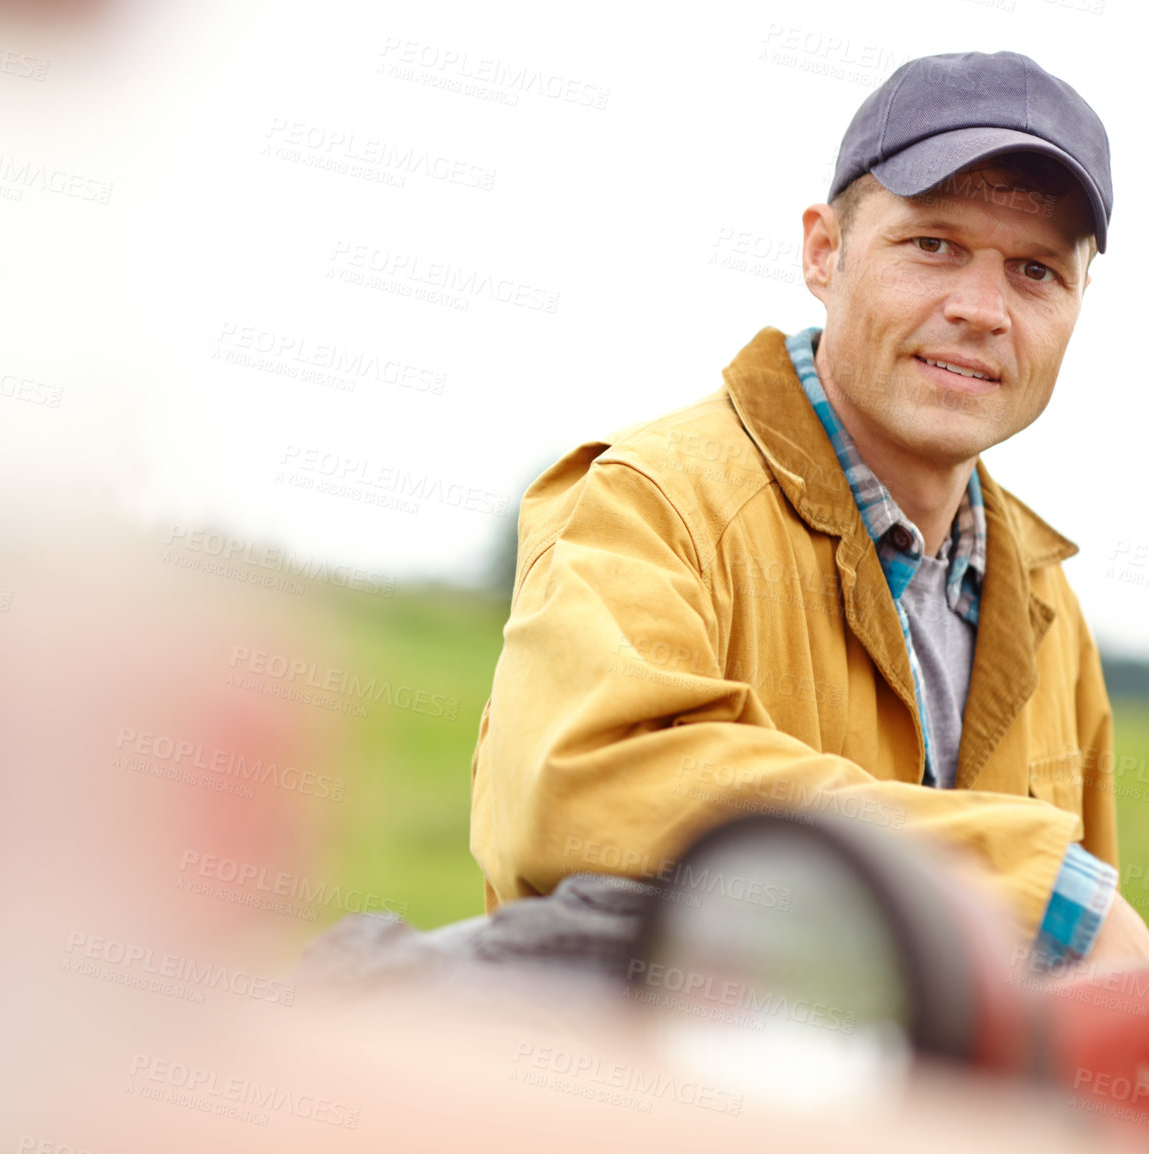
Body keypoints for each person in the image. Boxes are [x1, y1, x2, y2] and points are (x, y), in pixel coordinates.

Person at [469, 50, 1149, 969]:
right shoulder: (650, 501)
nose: (984, 309)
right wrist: (1033, 886)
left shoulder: (1044, 599)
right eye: (934, 244)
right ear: (822, 252)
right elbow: (573, 792)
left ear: (1077, 303)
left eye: (1035, 271)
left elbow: (1083, 981)